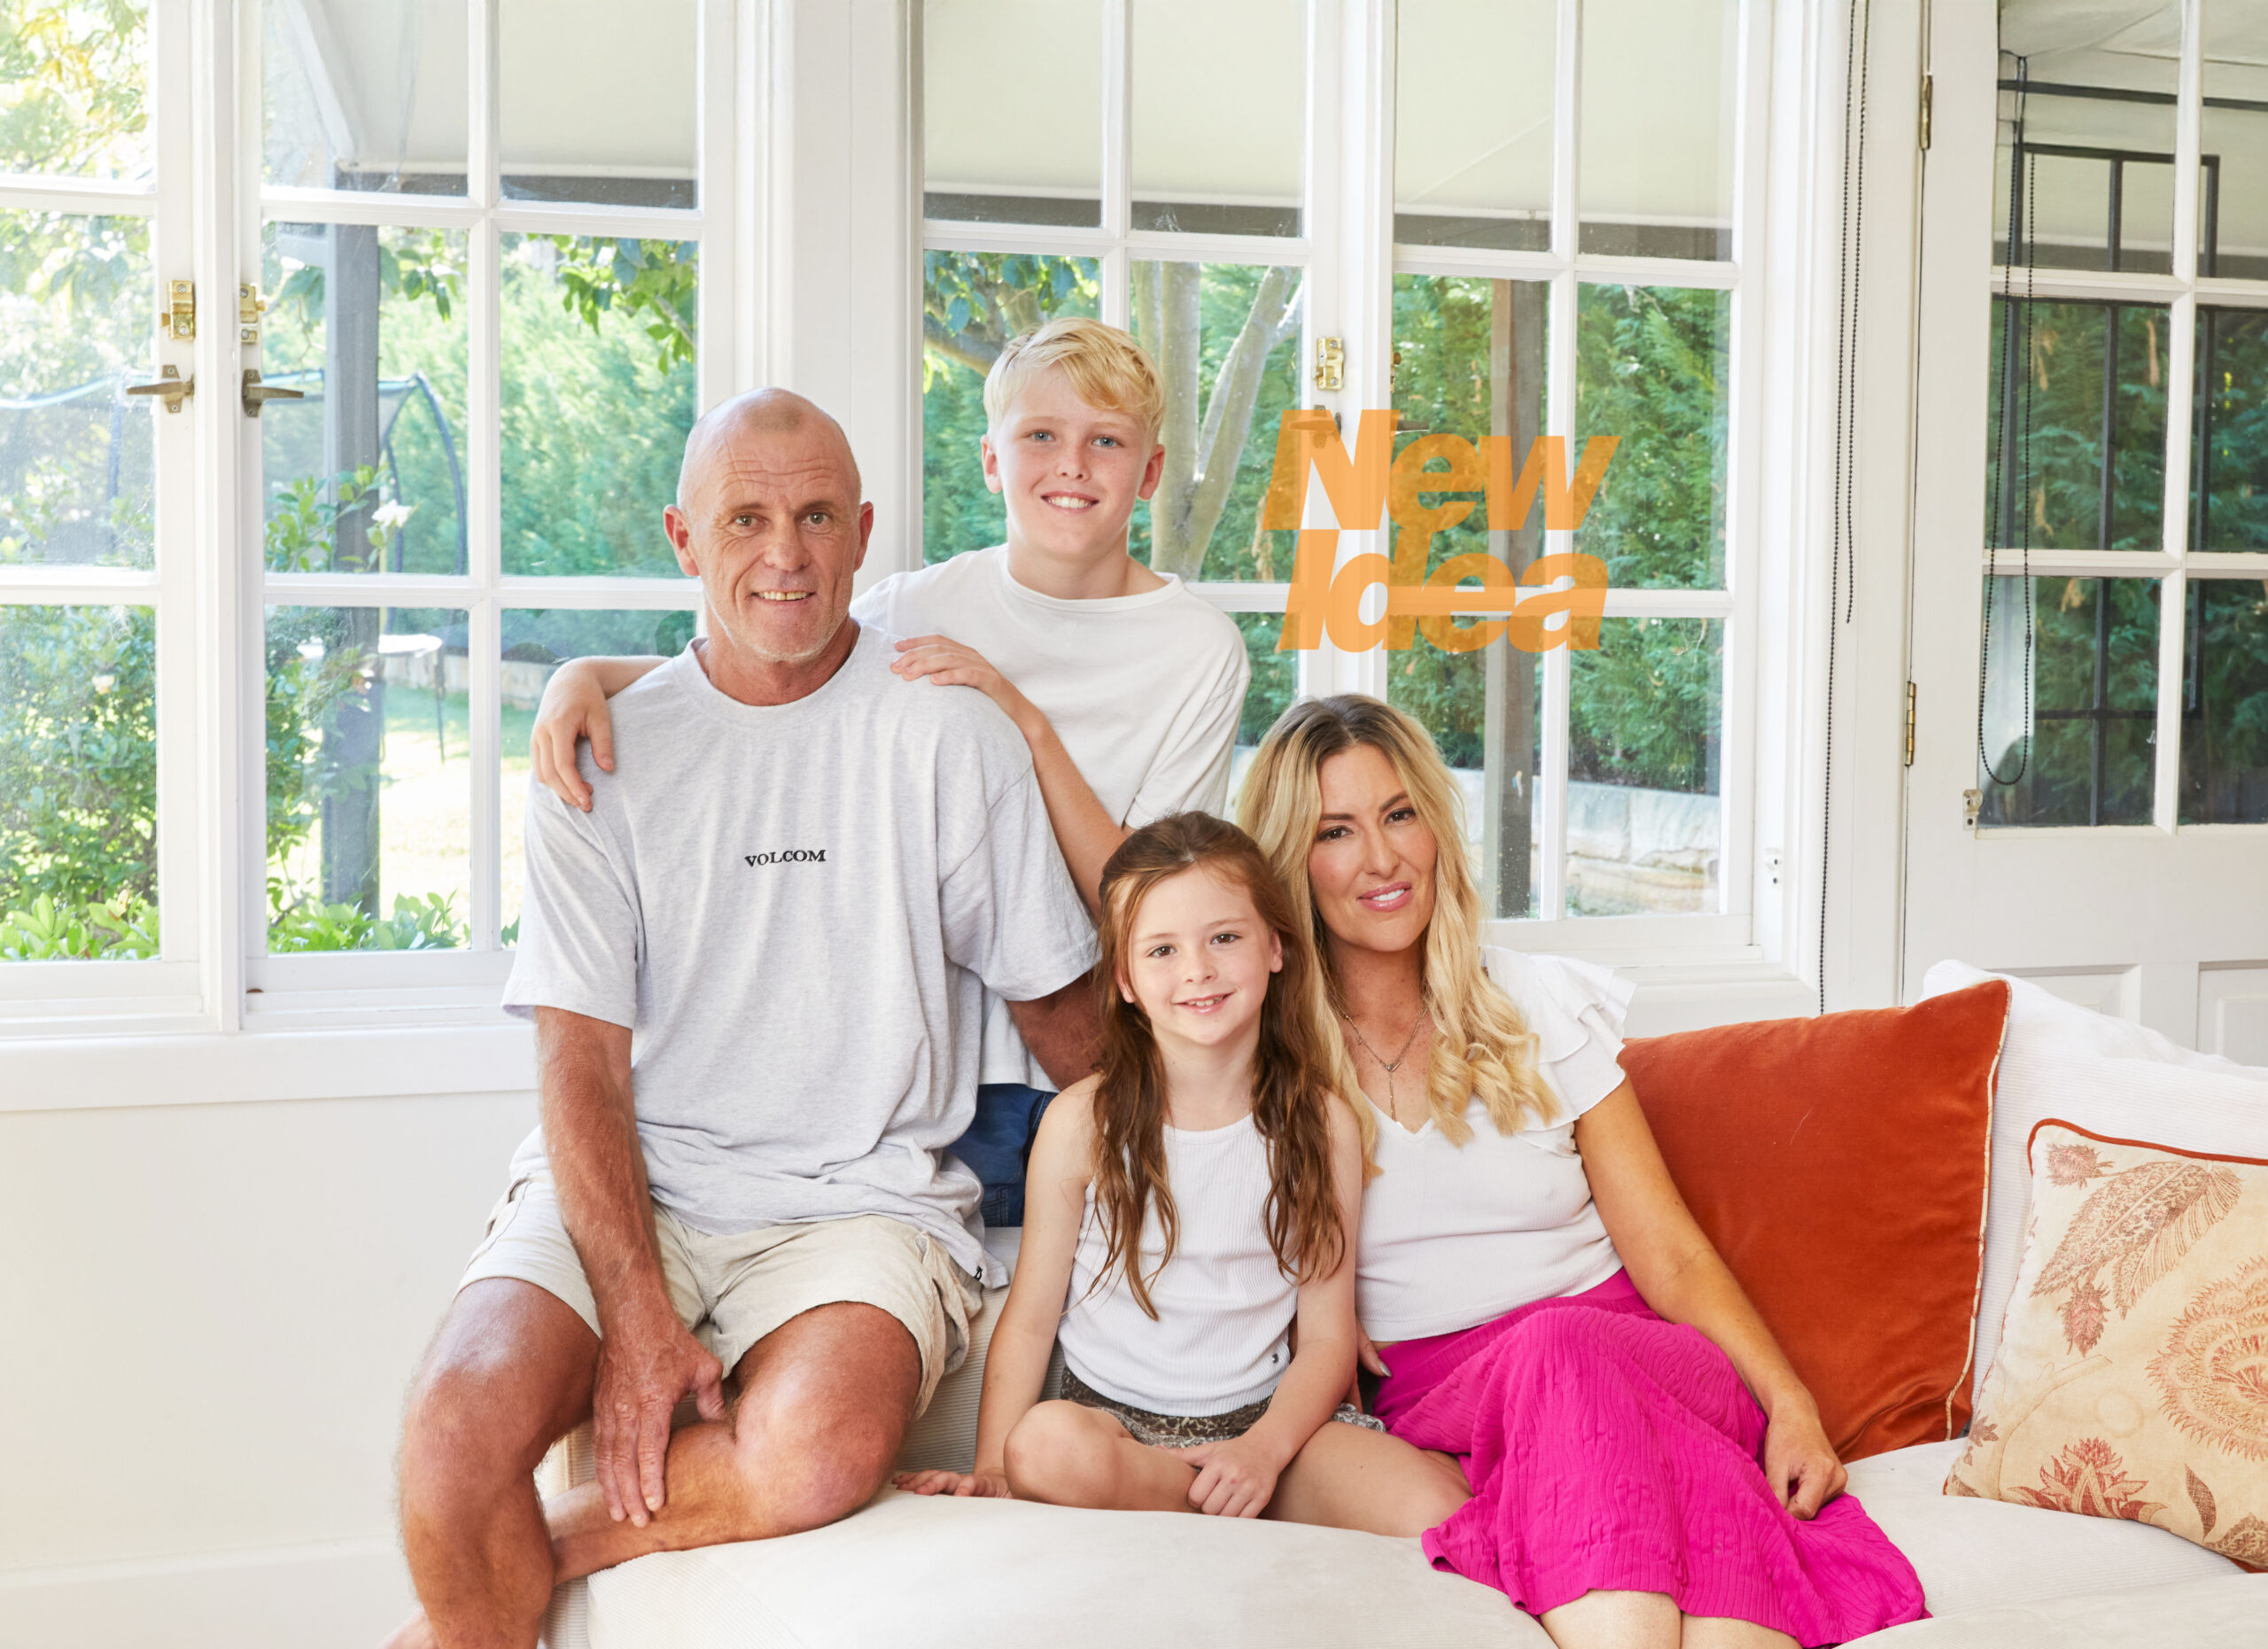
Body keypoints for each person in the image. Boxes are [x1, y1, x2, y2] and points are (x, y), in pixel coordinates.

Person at [384, 390, 1099, 1649]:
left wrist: (1218, 1137)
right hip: (631, 1181)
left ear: (865, 531)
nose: (787, 554)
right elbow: (582, 1067)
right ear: (683, 538)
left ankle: (484, 1602)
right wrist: (641, 1311)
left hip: (856, 1204)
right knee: (451, 1447)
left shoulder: (944, 733)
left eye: (819, 516)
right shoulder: (598, 755)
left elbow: (1063, 1014)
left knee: (815, 1450)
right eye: (748, 518)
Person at [1235, 696, 1929, 1649]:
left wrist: (1791, 1405)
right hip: (1449, 1408)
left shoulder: (1537, 1000)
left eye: (1400, 815)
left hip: (1631, 1361)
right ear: (1289, 862)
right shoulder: (1264, 1063)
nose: (1383, 858)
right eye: (1336, 832)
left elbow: (1672, 1255)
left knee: (1560, 1344)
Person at [525, 317, 1249, 1227]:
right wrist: (583, 677)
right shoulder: (922, 602)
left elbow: (1154, 902)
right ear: (991, 460)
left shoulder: (1194, 646)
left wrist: (1021, 722)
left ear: (1147, 474)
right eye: (1040, 437)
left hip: (1114, 1039)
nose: (1071, 465)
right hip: (963, 1076)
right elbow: (767, 656)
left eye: (1105, 441)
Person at [896, 813, 1382, 1518]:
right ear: (1124, 978)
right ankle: (1205, 1505)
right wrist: (995, 1465)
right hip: (1119, 1433)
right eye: (1161, 950)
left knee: (1427, 1502)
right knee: (1045, 1448)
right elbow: (1030, 1319)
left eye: (1224, 937)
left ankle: (1232, 1496)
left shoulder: (1322, 1122)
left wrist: (1264, 1449)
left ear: (1275, 946)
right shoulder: (1084, 1122)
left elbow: (1329, 1336)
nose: (1198, 970)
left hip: (1268, 1428)